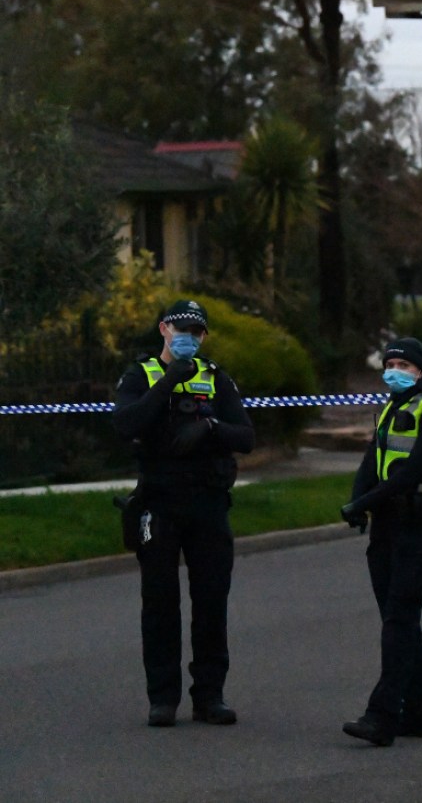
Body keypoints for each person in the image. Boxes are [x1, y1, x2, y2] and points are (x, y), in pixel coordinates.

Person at [112, 299, 254, 728]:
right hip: (159, 501)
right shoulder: (141, 375)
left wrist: (210, 428)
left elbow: (245, 435)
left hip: (207, 503)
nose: (189, 337)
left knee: (211, 601)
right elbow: (125, 424)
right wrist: (169, 381)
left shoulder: (216, 379)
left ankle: (209, 696)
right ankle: (163, 698)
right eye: (181, 329)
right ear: (163, 329)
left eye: (197, 331)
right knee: (159, 602)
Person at [339, 337, 422, 747]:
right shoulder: (391, 408)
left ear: (421, 370)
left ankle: (382, 716)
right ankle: (421, 712)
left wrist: (365, 501)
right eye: (390, 363)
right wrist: (357, 502)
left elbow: (414, 470)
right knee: (398, 618)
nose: (395, 370)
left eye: (404, 364)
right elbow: (372, 460)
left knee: (399, 619)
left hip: (419, 525)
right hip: (387, 524)